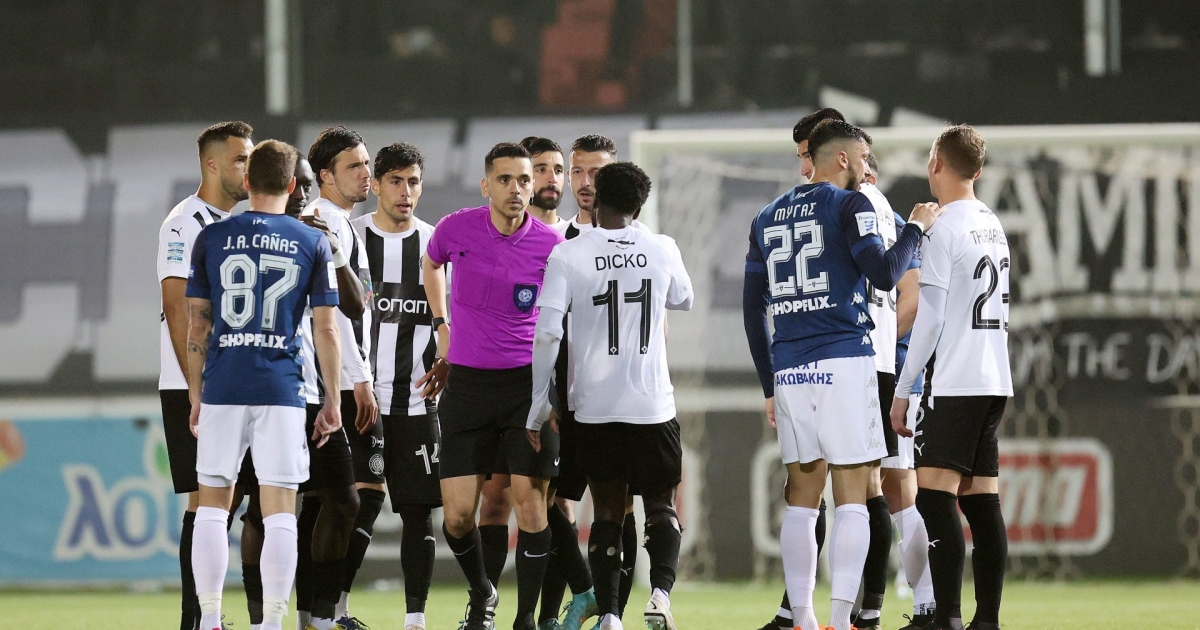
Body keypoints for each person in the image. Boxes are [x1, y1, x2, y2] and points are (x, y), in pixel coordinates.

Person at [743, 119, 940, 630]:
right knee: (862, 495)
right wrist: (916, 229)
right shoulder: (856, 206)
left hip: (791, 368)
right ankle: (850, 616)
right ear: (846, 158)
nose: (870, 169)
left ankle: (804, 618)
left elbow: (751, 309)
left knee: (804, 500)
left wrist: (768, 382)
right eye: (865, 158)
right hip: (850, 360)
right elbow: (888, 275)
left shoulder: (766, 215)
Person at [527, 162, 694, 630]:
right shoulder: (662, 248)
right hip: (653, 405)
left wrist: (540, 403)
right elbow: (684, 298)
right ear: (640, 205)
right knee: (660, 505)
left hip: (594, 408)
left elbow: (547, 334)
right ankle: (660, 594)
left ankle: (611, 616)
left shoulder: (569, 254)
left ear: (597, 199)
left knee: (606, 512)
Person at [185, 139, 343, 630]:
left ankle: (211, 618)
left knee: (213, 507)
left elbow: (198, 324)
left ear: (248, 180)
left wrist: (196, 395)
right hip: (281, 388)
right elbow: (326, 329)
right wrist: (333, 398)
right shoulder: (312, 241)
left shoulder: (212, 237)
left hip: (224, 384)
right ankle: (272, 622)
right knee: (279, 513)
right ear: (293, 184)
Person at [422, 143, 565, 630]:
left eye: (524, 180)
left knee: (531, 505)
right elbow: (431, 263)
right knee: (458, 517)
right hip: (467, 388)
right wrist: (442, 325)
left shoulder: (552, 246)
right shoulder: (455, 229)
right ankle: (482, 590)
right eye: (505, 180)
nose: (516, 189)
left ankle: (524, 619)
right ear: (486, 186)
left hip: (525, 389)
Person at [891, 125, 1012, 630]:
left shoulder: (943, 229)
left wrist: (903, 389)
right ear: (978, 170)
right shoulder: (992, 224)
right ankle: (987, 621)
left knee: (935, 497)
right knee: (982, 504)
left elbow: (931, 318)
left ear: (936, 163)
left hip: (956, 380)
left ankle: (947, 618)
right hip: (994, 378)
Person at [475, 136, 599, 630]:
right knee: (496, 499)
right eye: (540, 169)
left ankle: (546, 614)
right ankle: (487, 611)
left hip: (557, 390)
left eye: (557, 169)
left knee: (549, 500)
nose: (551, 179)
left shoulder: (569, 243)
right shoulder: (498, 235)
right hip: (498, 386)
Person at [157, 120, 253, 630]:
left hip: (232, 381)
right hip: (194, 385)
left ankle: (206, 616)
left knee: (229, 499)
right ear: (212, 164)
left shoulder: (235, 223)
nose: (248, 168)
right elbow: (177, 306)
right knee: (206, 499)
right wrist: (197, 387)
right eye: (240, 159)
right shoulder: (184, 222)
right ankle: (193, 620)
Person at [350, 143, 443, 630]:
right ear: (376, 185)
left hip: (417, 401)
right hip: (360, 397)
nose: (406, 192)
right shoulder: (352, 238)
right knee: (357, 503)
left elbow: (452, 319)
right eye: (395, 181)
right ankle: (332, 610)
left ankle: (415, 619)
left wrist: (448, 358)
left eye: (413, 182)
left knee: (417, 512)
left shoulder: (436, 247)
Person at [559, 135, 642, 628]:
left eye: (598, 173)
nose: (586, 182)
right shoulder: (556, 238)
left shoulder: (641, 241)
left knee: (618, 504)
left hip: (617, 396)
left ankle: (615, 612)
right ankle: (578, 595)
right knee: (548, 501)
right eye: (578, 171)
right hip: (563, 393)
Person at [304, 125, 383, 629]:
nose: (366, 173)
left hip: (330, 378)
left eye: (366, 163)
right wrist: (360, 378)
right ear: (325, 176)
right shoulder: (326, 223)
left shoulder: (339, 222)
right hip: (334, 380)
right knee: (354, 497)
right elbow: (334, 315)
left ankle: (316, 613)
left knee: (326, 503)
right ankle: (327, 612)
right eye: (354, 166)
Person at [285, 157, 367, 630]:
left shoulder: (318, 235)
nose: (303, 194)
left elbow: (353, 306)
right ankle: (256, 620)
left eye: (306, 184)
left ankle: (313, 620)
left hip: (309, 388)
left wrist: (332, 249)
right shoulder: (244, 234)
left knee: (338, 501)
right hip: (274, 390)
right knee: (261, 511)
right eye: (294, 184)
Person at [863, 154, 935, 630]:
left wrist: (876, 355)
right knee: (871, 489)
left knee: (898, 488)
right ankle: (864, 607)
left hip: (891, 375)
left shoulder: (888, 222)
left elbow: (911, 297)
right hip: (867, 373)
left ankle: (927, 603)